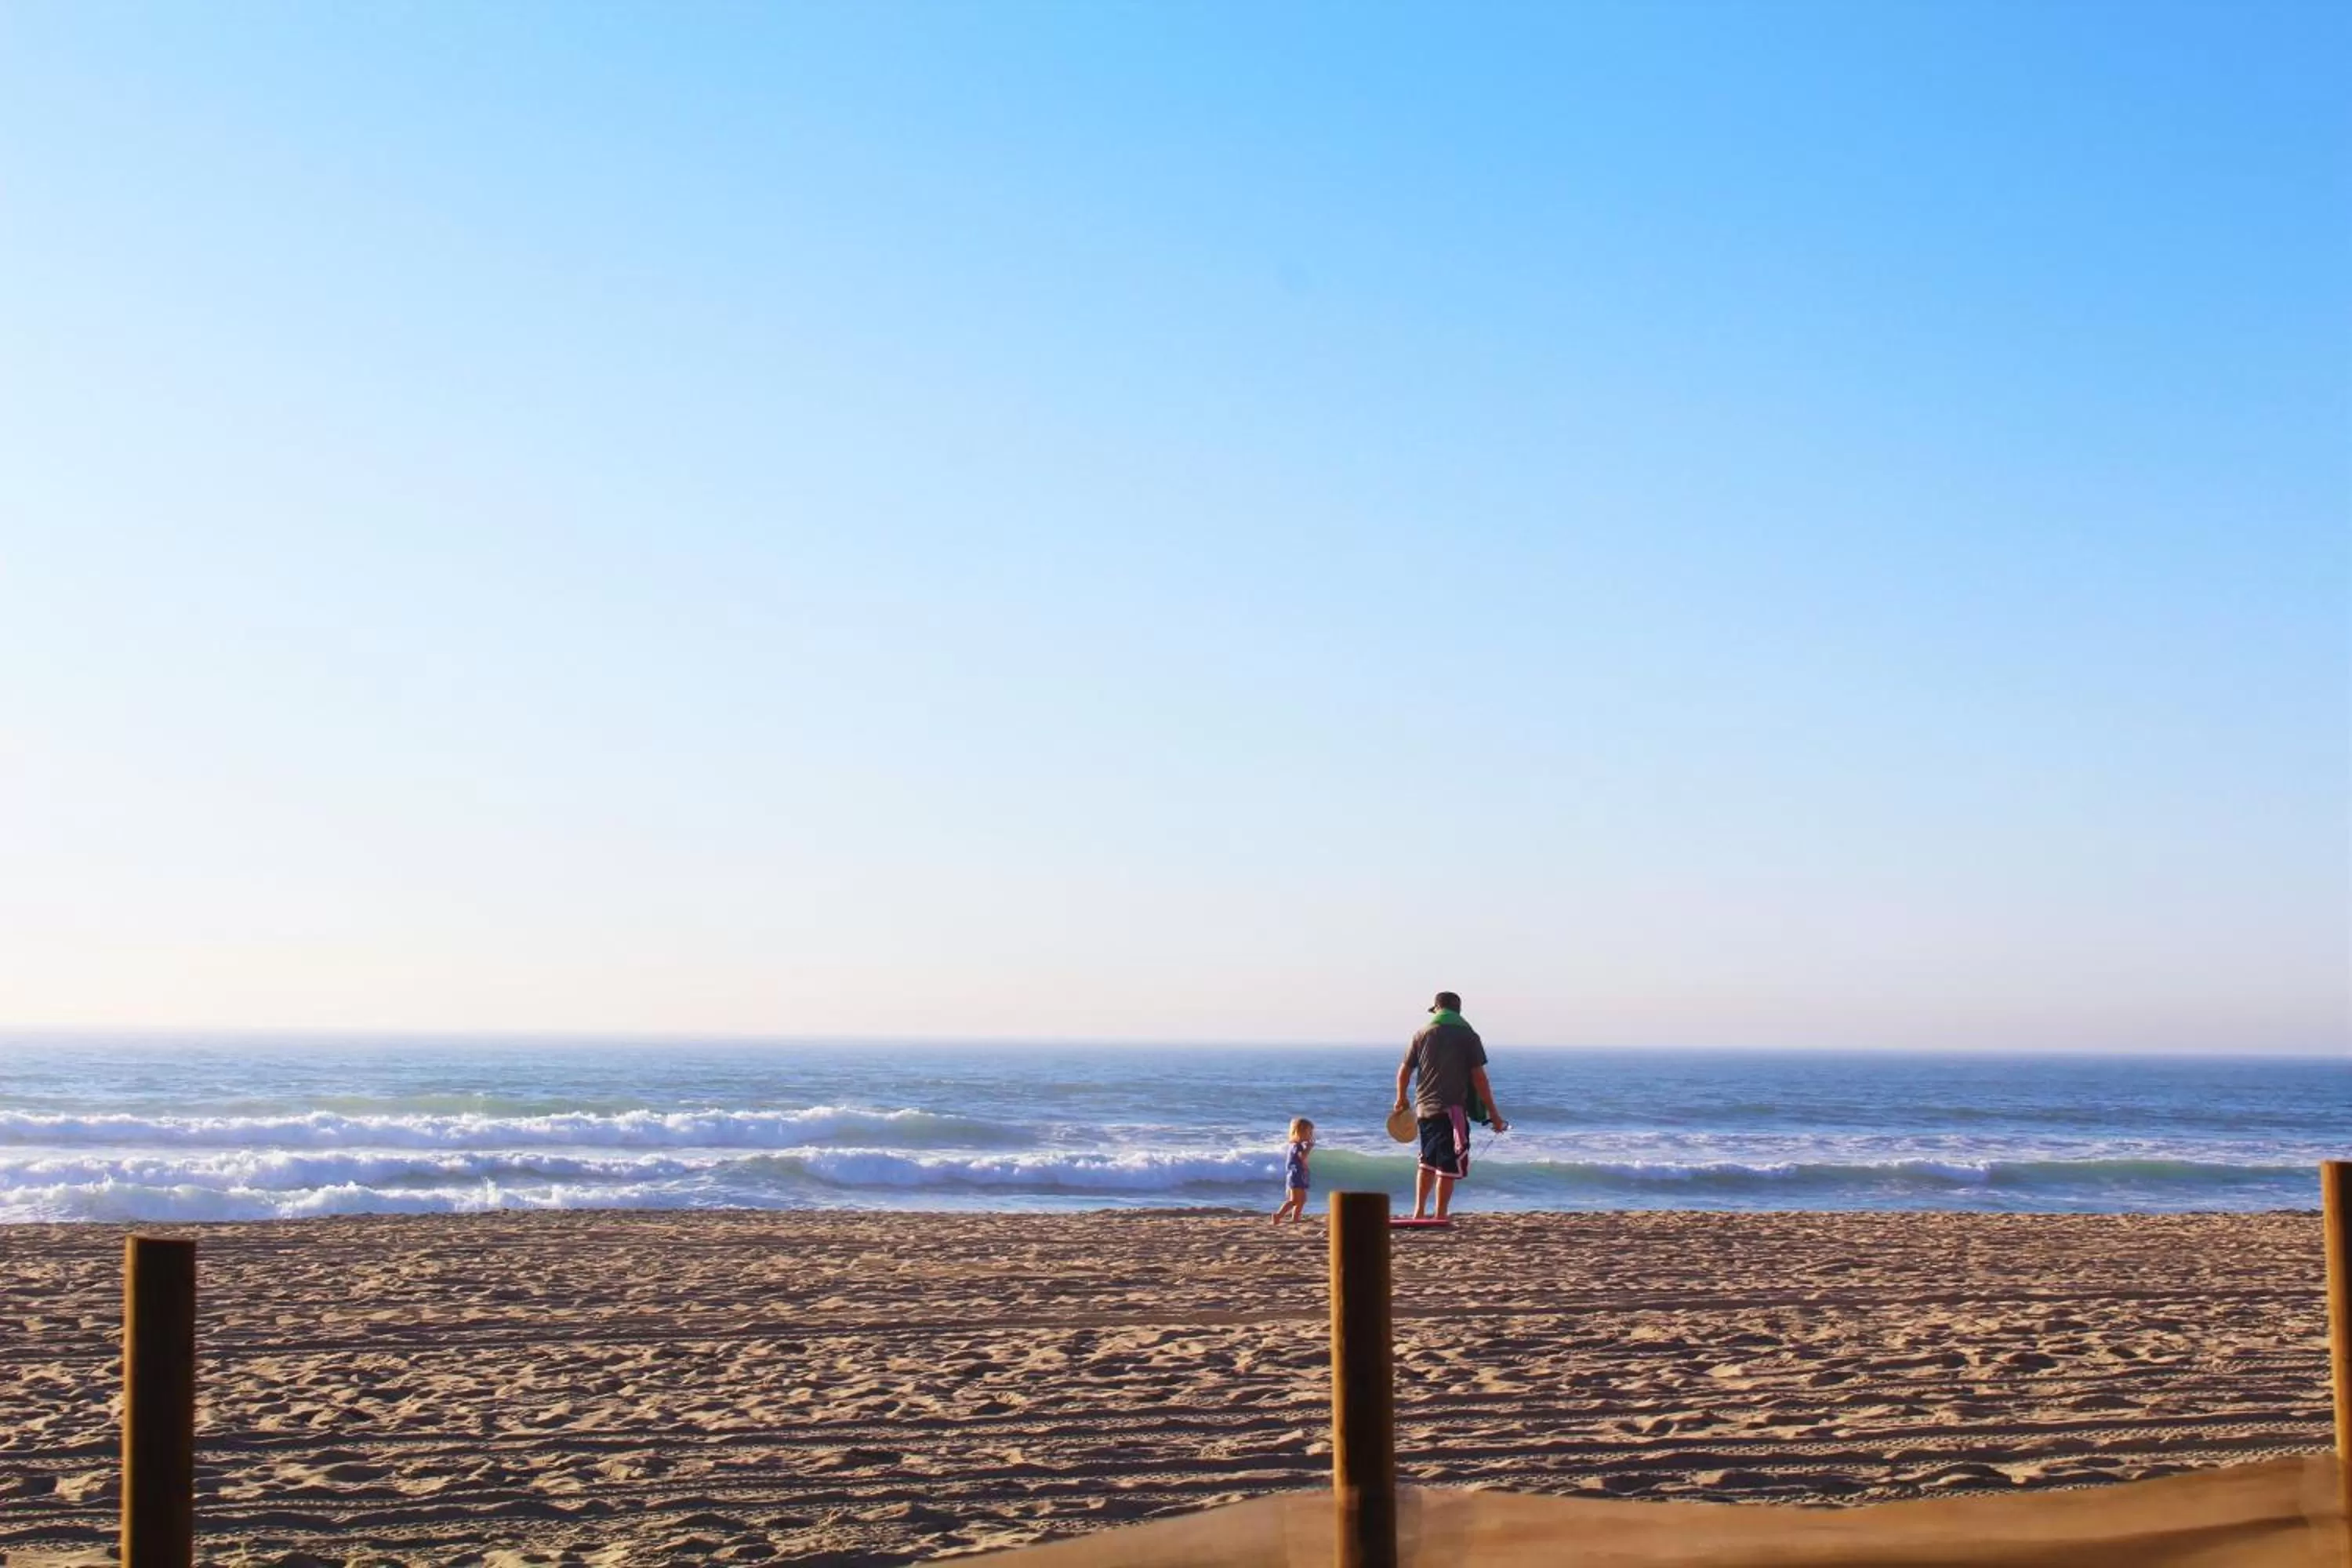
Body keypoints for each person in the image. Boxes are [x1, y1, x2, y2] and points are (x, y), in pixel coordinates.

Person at [1392, 991, 1508, 1220]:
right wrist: (1493, 1114)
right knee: (1447, 1164)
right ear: (1458, 1011)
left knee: (1426, 1160)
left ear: (1437, 1009)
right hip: (1451, 1111)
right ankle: (1441, 1214)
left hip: (1424, 1109)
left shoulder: (1422, 1033)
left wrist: (1401, 1098)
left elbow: (1405, 1070)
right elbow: (1479, 1079)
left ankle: (1419, 1211)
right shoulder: (1468, 1036)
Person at [1272, 1116, 1315, 1223]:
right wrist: (1309, 1148)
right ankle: (1278, 1216)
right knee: (1294, 1200)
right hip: (1296, 1176)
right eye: (1309, 1132)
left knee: (1302, 1199)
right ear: (1300, 1132)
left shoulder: (1295, 1145)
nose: (1311, 1135)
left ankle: (1296, 1218)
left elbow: (1300, 1161)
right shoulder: (1297, 1146)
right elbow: (1302, 1157)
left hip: (1298, 1175)